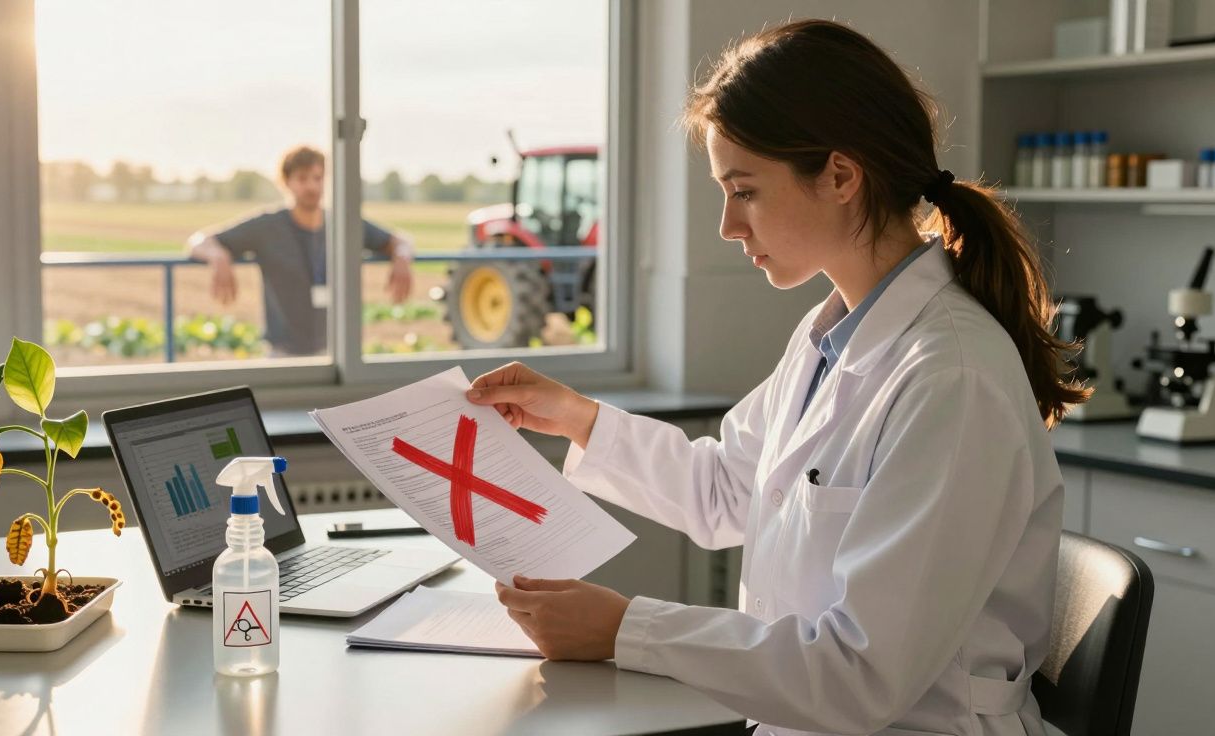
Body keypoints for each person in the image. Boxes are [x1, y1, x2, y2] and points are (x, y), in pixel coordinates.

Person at [467, 19, 1089, 736]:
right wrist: (575, 414)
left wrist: (625, 629)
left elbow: (863, 674)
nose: (729, 225)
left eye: (745, 190)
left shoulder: (951, 377)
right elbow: (726, 489)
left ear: (840, 176)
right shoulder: (830, 337)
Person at [187, 145, 414, 356]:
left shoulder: (343, 224)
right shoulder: (267, 226)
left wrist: (402, 256)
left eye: (318, 178)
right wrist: (218, 256)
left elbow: (400, 239)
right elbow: (198, 240)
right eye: (303, 179)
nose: (312, 186)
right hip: (283, 353)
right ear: (286, 182)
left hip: (336, 354)